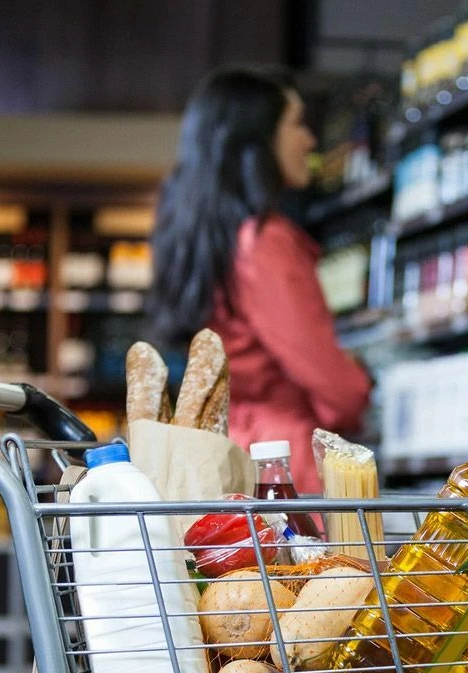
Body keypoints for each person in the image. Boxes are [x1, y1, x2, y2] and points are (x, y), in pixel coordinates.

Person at [147, 66, 371, 494]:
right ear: (254, 141)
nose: (309, 139)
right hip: (284, 463)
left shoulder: (206, 239)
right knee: (302, 562)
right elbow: (331, 380)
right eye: (296, 124)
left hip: (226, 452)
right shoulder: (264, 242)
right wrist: (359, 384)